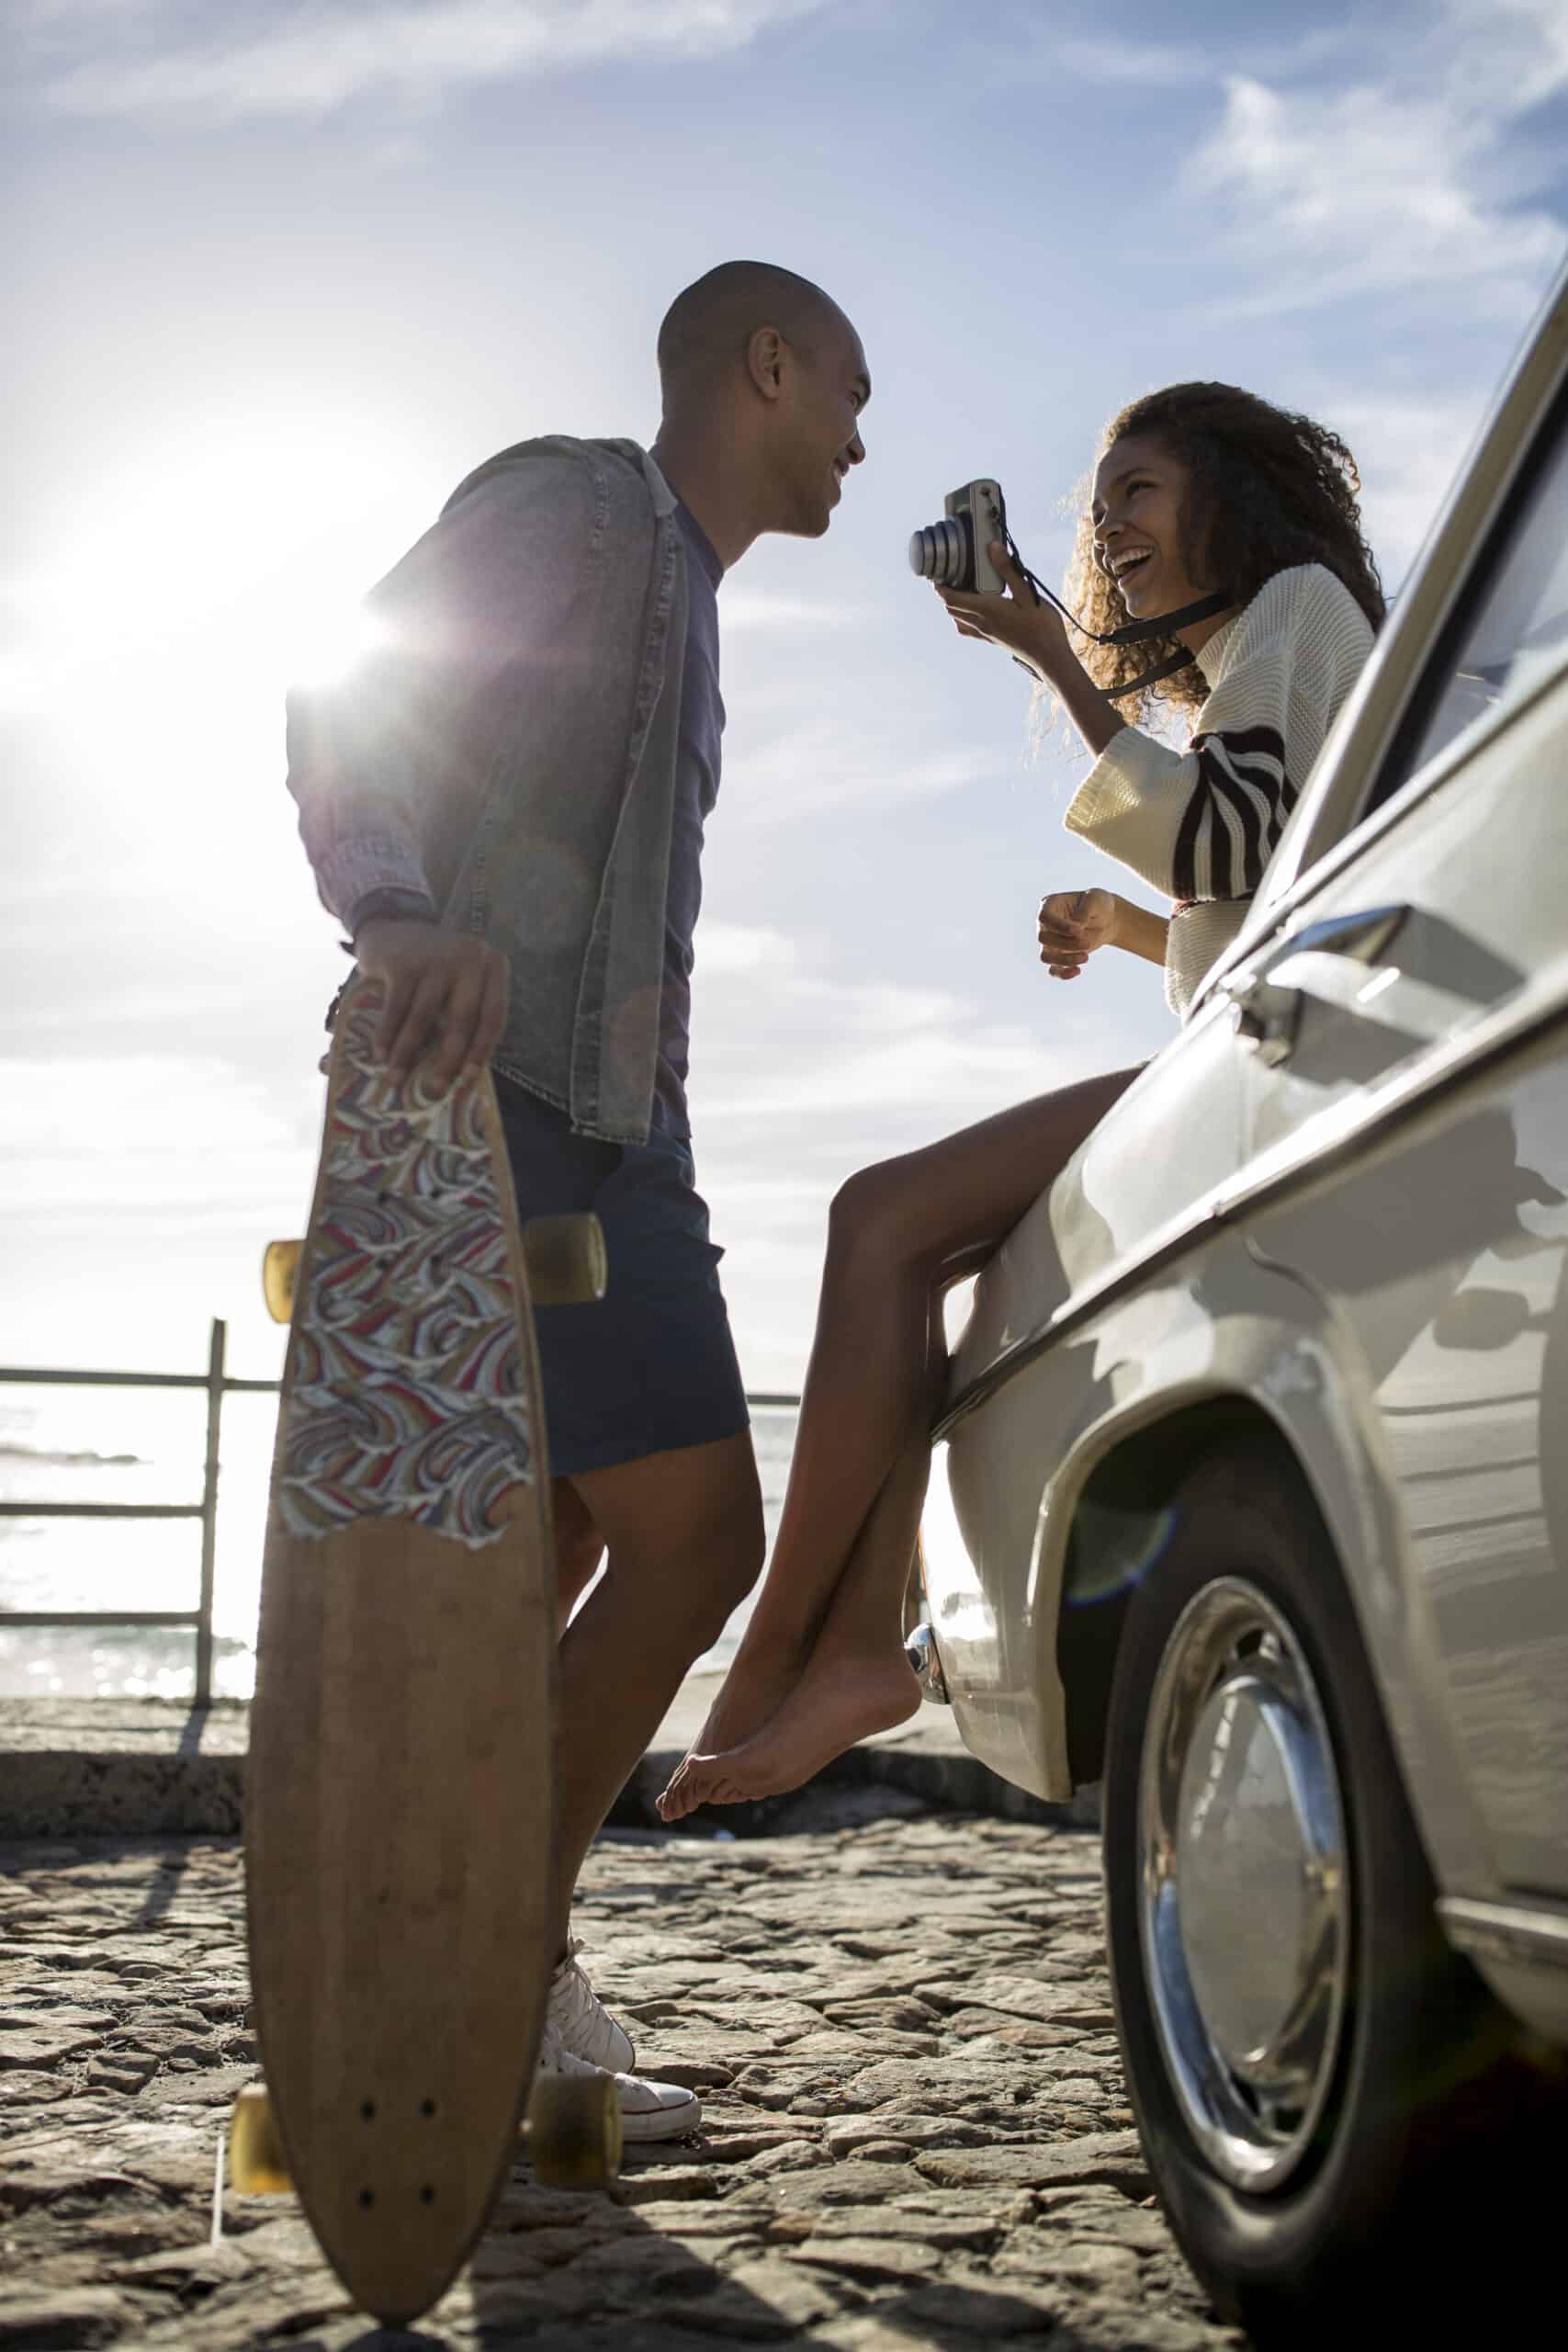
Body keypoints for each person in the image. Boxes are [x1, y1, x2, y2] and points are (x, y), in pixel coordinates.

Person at [285, 262, 871, 2136]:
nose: (860, 438)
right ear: (762, 365)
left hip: (611, 1117)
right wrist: (390, 908)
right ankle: (496, 1961)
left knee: (517, 1575)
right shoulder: (574, 507)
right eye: (844, 393)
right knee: (696, 1541)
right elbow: (348, 686)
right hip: (511, 1109)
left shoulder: (684, 595)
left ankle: (432, 1967)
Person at [657, 380, 1384, 1820]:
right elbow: (1268, 866)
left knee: (885, 1220)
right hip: (1257, 1046)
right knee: (941, 1264)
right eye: (1099, 505)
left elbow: (1236, 833)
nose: (1108, 528)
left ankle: (787, 1660)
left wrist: (1052, 653)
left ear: (1231, 496)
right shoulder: (1269, 639)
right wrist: (1131, 931)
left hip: (1280, 1065)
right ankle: (856, 1647)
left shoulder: (1297, 604)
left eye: (1139, 494)